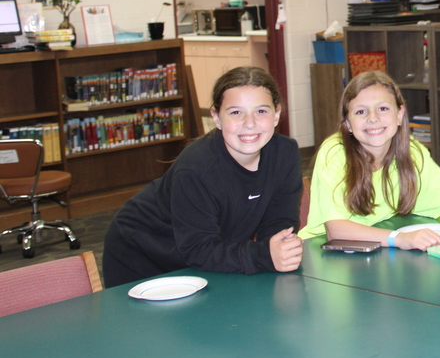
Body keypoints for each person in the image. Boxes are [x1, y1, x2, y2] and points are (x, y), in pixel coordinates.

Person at [103, 67, 303, 287]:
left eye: (261, 111)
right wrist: (263, 255)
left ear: (276, 114)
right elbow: (197, 248)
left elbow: (279, 221)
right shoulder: (196, 169)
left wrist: (277, 247)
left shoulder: (285, 153)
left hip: (206, 257)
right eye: (236, 112)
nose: (249, 123)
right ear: (216, 118)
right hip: (142, 254)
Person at [298, 71, 440, 250]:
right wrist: (399, 239)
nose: (373, 118)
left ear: (399, 114)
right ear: (347, 124)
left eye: (383, 108)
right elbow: (335, 230)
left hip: (379, 246)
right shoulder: (335, 153)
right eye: (361, 112)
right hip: (325, 252)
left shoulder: (410, 150)